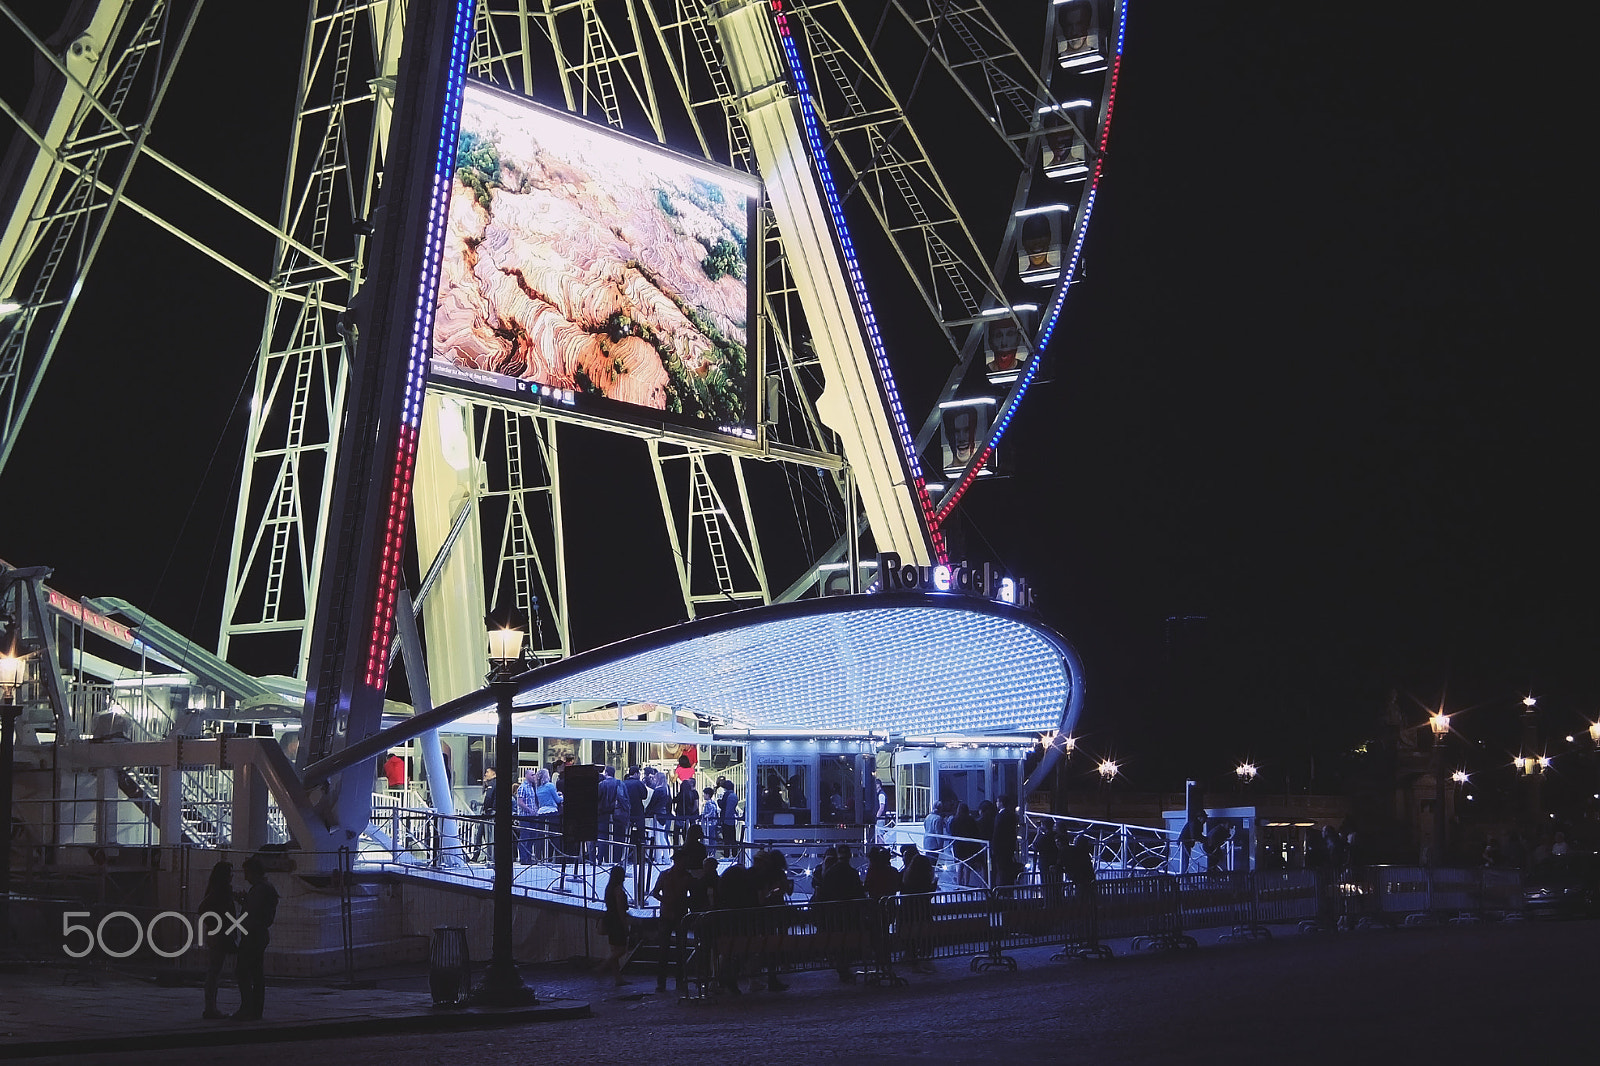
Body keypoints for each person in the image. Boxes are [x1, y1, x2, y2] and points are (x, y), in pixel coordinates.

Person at [234, 856, 279, 1021]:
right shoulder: (265, 888)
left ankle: (247, 1007)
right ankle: (255, 1008)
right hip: (258, 934)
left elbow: (251, 913)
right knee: (256, 972)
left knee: (243, 971)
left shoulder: (260, 889)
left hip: (253, 934)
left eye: (247, 873)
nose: (245, 877)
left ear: (253, 872)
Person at [650, 851, 694, 993]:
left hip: (673, 914)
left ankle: (669, 981)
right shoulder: (682, 876)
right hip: (673, 914)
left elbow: (656, 892)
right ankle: (671, 981)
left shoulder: (668, 875)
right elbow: (655, 892)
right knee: (668, 950)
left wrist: (666, 900)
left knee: (674, 950)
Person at [199, 860, 236, 1019]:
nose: (232, 876)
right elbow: (204, 909)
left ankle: (210, 1007)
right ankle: (211, 1008)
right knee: (215, 971)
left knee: (214, 971)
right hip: (219, 933)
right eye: (230, 873)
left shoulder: (216, 889)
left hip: (217, 931)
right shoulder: (220, 891)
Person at [899, 844, 938, 973]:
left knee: (910, 933)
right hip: (923, 910)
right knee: (922, 932)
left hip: (908, 910)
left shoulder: (905, 876)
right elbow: (929, 893)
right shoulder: (925, 878)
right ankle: (922, 956)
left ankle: (910, 955)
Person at [596, 865, 634, 986]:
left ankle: (618, 978)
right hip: (617, 921)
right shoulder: (618, 890)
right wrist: (625, 925)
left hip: (610, 919)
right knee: (621, 949)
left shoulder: (609, 888)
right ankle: (602, 967)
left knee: (614, 950)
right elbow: (620, 910)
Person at [620, 767, 648, 865]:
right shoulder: (638, 783)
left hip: (627, 813)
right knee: (641, 835)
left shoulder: (623, 783)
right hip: (638, 812)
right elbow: (644, 796)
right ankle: (641, 858)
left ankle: (626, 857)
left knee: (627, 835)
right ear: (636, 774)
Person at [948, 803, 981, 887]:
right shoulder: (970, 819)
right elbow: (975, 831)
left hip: (958, 845)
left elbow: (951, 831)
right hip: (968, 845)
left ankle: (959, 884)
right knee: (967, 866)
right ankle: (966, 884)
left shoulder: (954, 820)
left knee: (960, 865)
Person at [532, 768, 561, 860]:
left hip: (541, 812)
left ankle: (540, 856)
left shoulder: (538, 788)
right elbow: (557, 800)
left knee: (541, 836)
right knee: (554, 835)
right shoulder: (550, 786)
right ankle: (556, 858)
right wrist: (562, 797)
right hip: (552, 812)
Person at [991, 797, 1020, 886]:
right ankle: (1009, 888)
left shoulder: (1000, 816)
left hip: (1000, 847)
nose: (996, 803)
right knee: (1008, 867)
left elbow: (997, 833)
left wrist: (994, 846)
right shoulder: (1012, 815)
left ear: (1002, 803)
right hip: (1010, 845)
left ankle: (1002, 889)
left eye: (997, 801)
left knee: (1001, 868)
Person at [597, 764, 621, 863]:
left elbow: (597, 798)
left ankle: (601, 859)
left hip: (603, 813)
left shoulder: (602, 784)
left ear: (606, 773)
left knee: (603, 837)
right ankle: (615, 859)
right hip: (616, 814)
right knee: (617, 837)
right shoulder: (619, 783)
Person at [514, 768, 539, 864]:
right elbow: (520, 802)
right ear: (527, 776)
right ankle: (523, 858)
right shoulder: (522, 787)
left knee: (532, 836)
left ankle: (528, 857)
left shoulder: (533, 787)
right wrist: (529, 810)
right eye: (532, 775)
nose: (534, 776)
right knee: (525, 836)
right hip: (525, 816)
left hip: (533, 815)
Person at [672, 777, 699, 849]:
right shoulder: (691, 794)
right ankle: (687, 847)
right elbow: (695, 804)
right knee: (686, 833)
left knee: (676, 833)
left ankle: (676, 847)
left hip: (680, 815)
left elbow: (674, 800)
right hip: (688, 815)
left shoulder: (681, 794)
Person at [718, 777, 740, 859]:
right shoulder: (734, 795)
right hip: (732, 818)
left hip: (726, 818)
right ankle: (734, 854)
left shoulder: (727, 794)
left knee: (726, 838)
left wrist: (719, 801)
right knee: (733, 838)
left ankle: (726, 854)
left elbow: (722, 805)